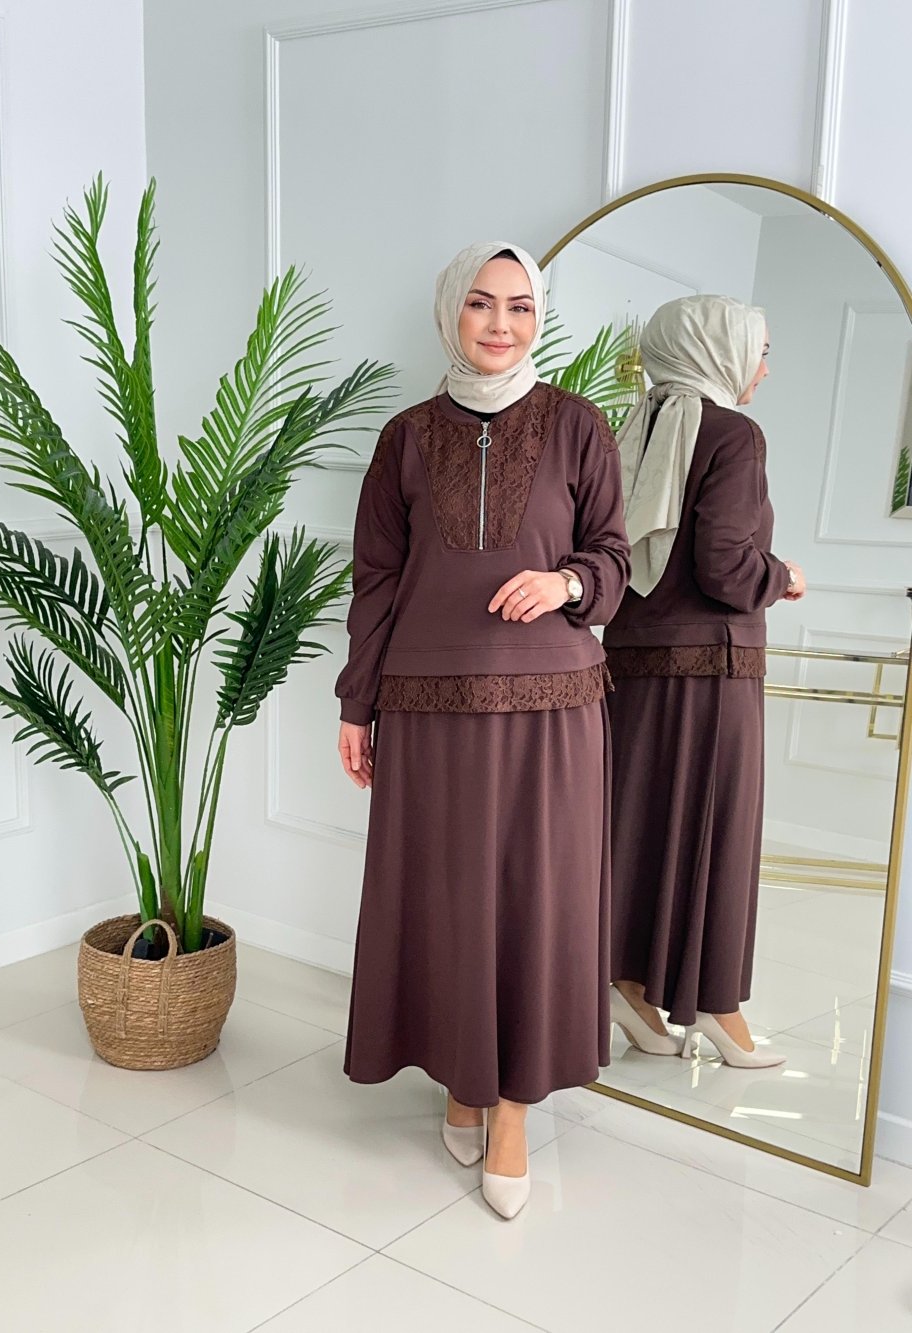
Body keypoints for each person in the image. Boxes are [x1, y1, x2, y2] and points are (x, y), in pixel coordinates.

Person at [334, 241, 630, 1218]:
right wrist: (356, 703)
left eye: (519, 307)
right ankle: (461, 1078)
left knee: (533, 903)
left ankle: (511, 1112)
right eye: (479, 303)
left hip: (551, 713)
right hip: (427, 710)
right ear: (449, 313)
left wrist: (566, 583)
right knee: (446, 900)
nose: (500, 324)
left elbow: (616, 559)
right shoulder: (405, 438)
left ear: (537, 319)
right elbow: (376, 581)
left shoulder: (578, 425)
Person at [604, 294, 805, 1069]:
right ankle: (718, 1007)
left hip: (631, 667)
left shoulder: (637, 426)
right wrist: (783, 576)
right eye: (760, 349)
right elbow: (726, 566)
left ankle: (628, 984)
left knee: (637, 828)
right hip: (713, 673)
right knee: (718, 836)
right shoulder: (733, 434)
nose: (764, 367)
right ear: (717, 349)